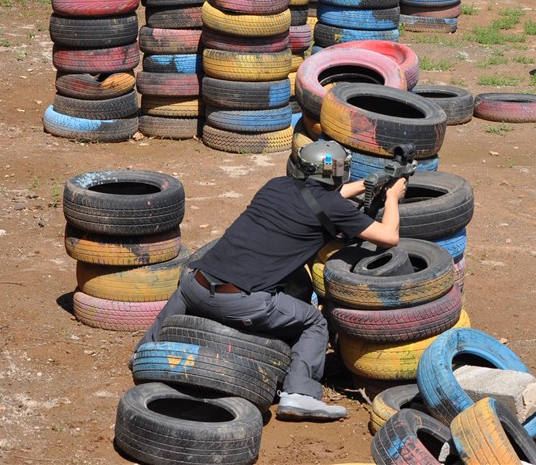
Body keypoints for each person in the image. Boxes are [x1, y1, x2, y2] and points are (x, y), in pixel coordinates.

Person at [134, 140, 406, 421]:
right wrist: (392, 198)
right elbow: (389, 236)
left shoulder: (275, 185)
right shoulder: (334, 207)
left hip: (195, 289)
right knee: (315, 322)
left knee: (189, 285)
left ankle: (146, 352)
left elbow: (321, 197)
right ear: (339, 172)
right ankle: (300, 394)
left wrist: (371, 183)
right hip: (241, 303)